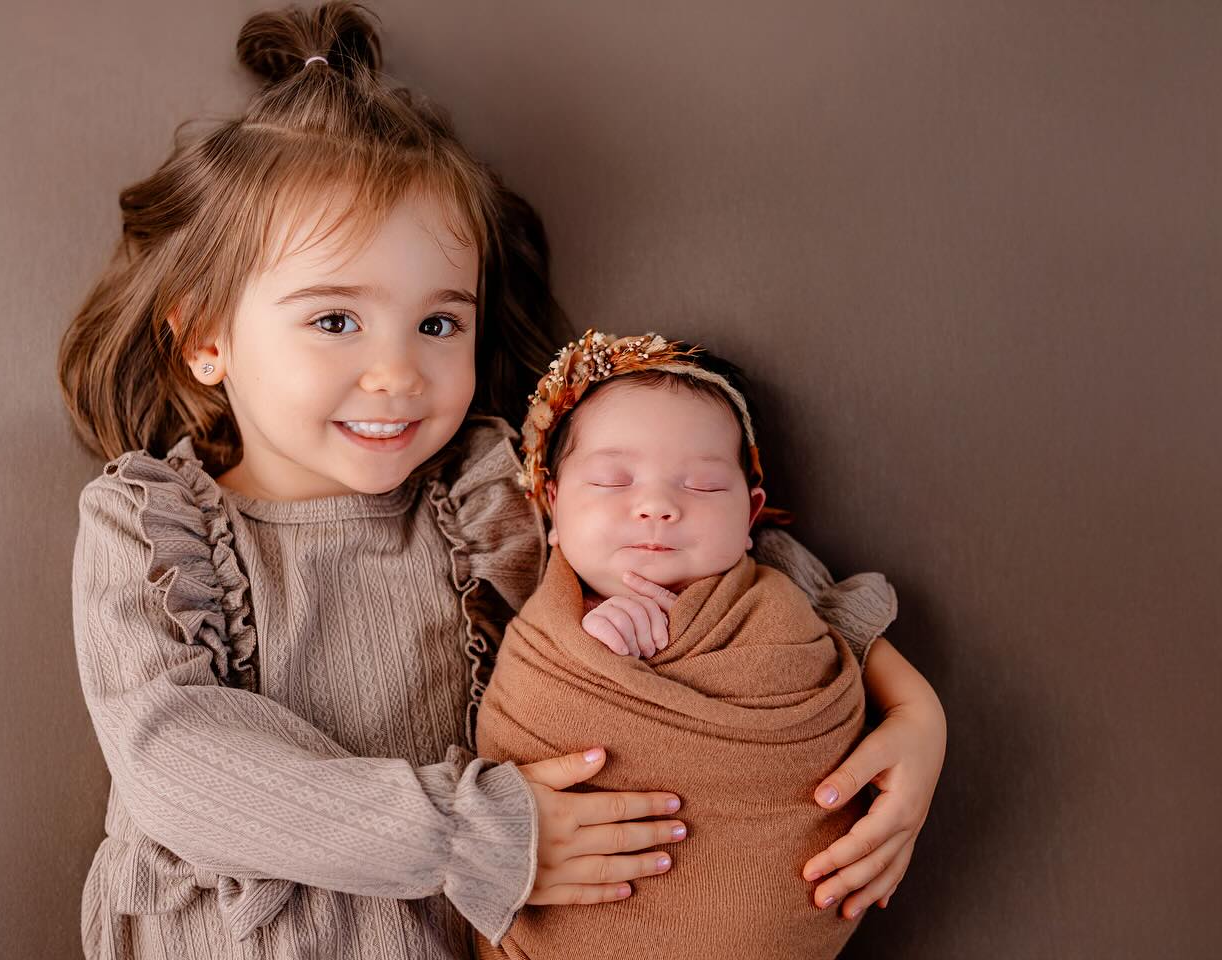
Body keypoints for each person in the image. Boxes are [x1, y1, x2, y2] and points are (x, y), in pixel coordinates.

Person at [57, 5, 946, 958]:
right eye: (335, 321)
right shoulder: (153, 528)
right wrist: (475, 831)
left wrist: (910, 707)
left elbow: (710, 539)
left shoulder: (492, 491)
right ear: (205, 338)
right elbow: (174, 761)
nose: (397, 372)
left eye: (439, 325)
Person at [476, 333, 943, 959]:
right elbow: (519, 743)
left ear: (751, 516)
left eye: (701, 486)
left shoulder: (783, 603)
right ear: (553, 507)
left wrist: (922, 713)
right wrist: (592, 657)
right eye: (614, 481)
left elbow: (836, 645)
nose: (657, 506)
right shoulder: (542, 634)